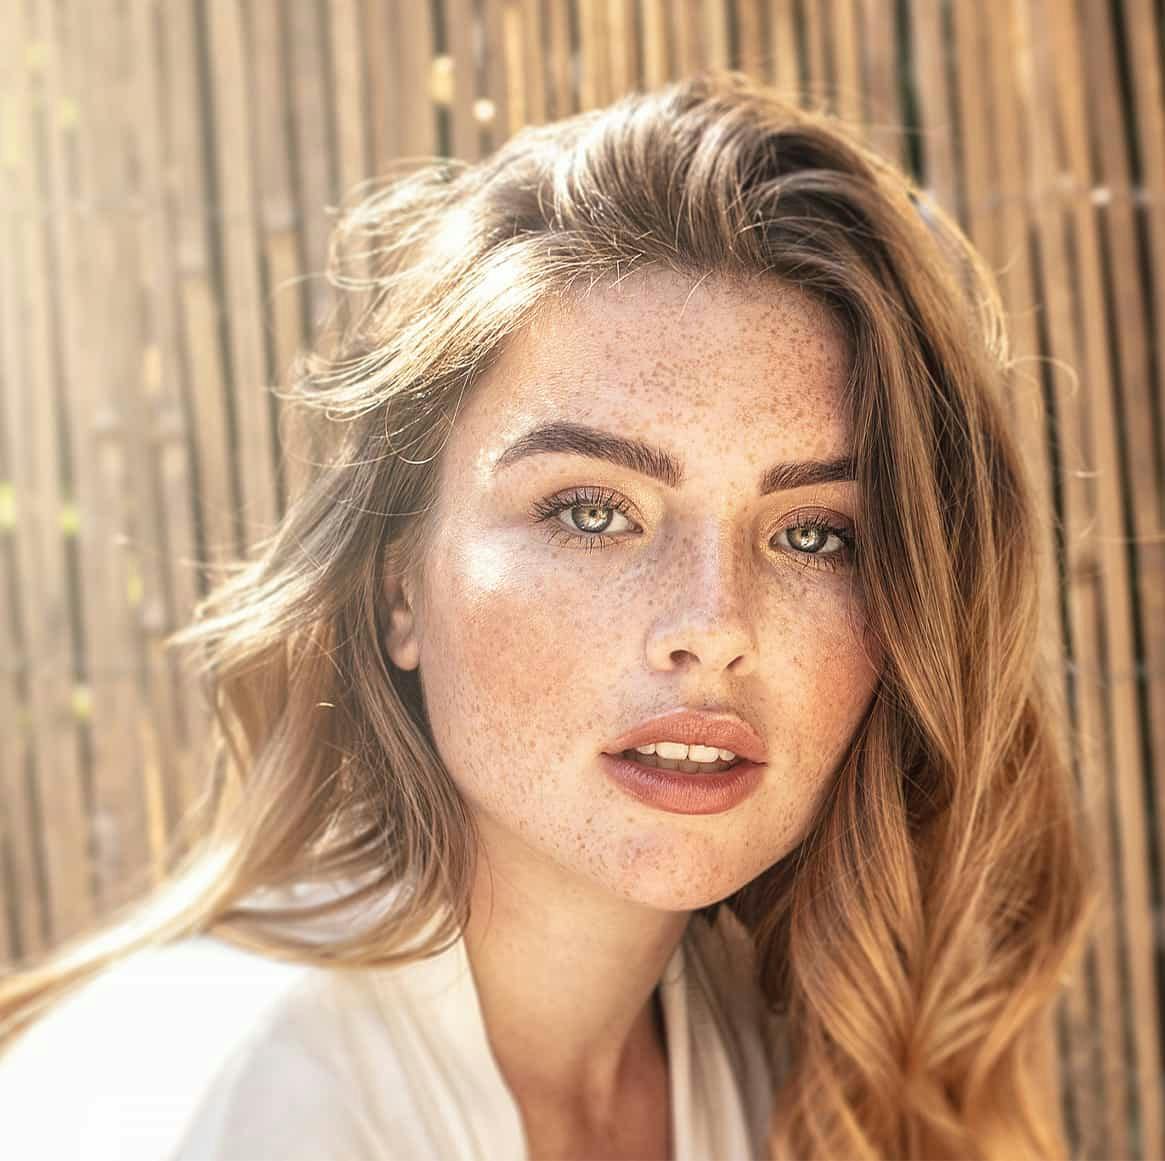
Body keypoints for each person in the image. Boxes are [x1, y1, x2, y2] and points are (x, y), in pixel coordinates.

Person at [0, 69, 1097, 1160]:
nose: (713, 623)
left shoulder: (799, 1064)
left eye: (813, 535)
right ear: (397, 585)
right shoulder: (229, 1095)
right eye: (590, 512)